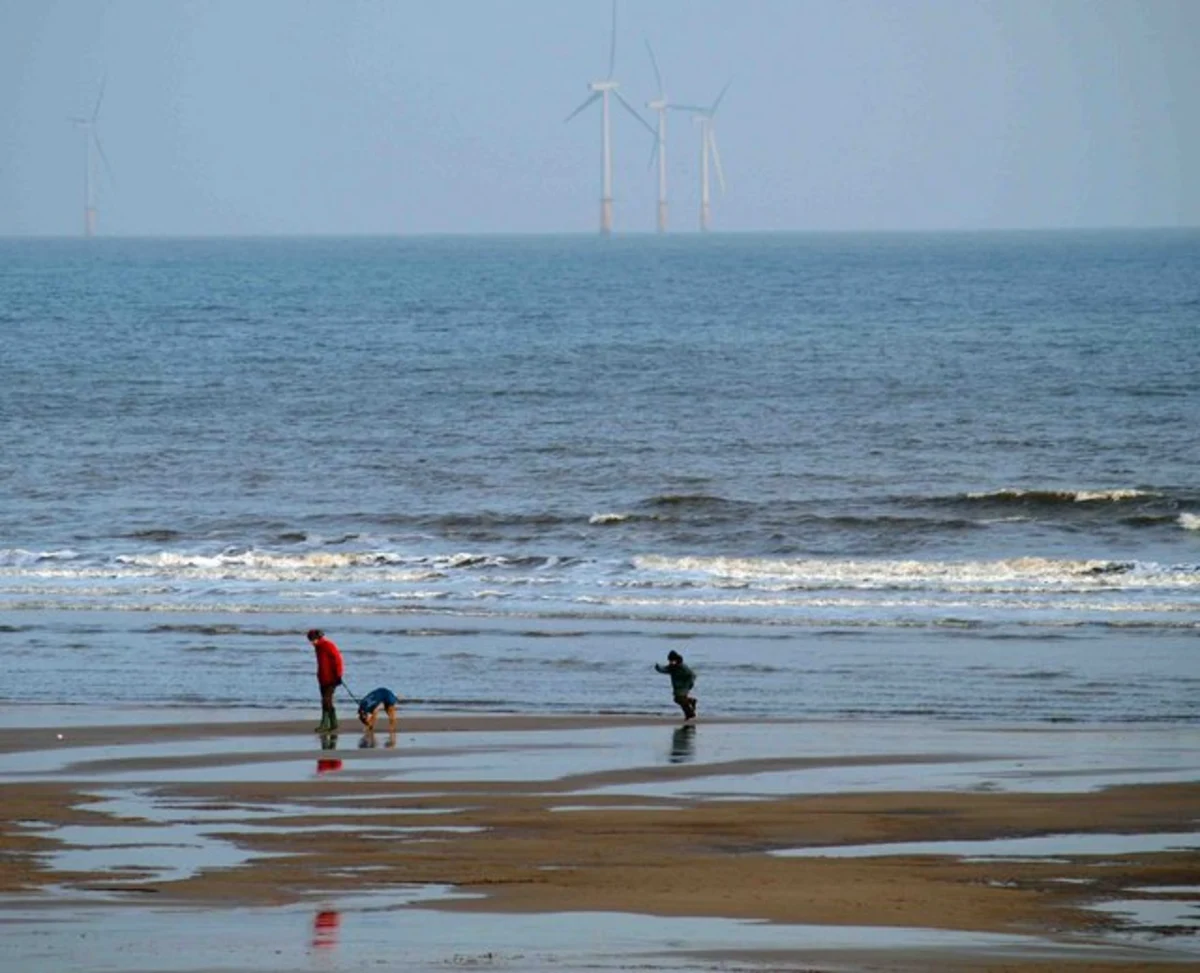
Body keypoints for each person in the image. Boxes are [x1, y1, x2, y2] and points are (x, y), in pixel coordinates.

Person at [307, 628, 344, 733]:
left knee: (326, 701)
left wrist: (339, 675)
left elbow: (338, 660)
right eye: (311, 640)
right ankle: (333, 723)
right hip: (322, 678)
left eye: (313, 640)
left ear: (318, 638)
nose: (312, 642)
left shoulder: (328, 645)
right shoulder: (317, 647)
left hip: (332, 678)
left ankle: (324, 724)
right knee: (326, 701)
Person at [655, 649, 697, 721]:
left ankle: (691, 707)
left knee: (678, 699)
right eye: (670, 661)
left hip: (684, 685)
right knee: (680, 700)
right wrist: (658, 668)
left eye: (672, 660)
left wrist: (690, 684)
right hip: (677, 687)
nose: (670, 662)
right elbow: (665, 669)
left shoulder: (682, 667)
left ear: (676, 659)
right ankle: (689, 712)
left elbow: (692, 675)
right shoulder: (672, 667)